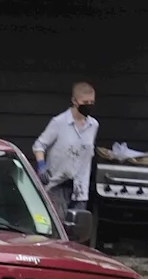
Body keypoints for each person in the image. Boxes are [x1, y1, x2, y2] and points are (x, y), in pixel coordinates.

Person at [32, 82, 98, 219]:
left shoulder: (93, 125)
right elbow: (39, 145)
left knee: (76, 228)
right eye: (85, 102)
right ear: (74, 101)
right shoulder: (59, 122)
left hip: (80, 188)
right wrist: (41, 166)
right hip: (57, 185)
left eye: (92, 102)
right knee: (58, 225)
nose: (89, 105)